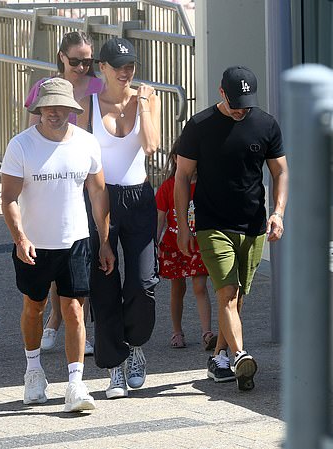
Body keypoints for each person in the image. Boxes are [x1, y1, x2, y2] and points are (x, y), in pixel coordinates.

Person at [1, 78, 114, 411]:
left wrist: (104, 241)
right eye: (48, 106)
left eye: (61, 106)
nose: (54, 112)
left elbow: (98, 193)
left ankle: (76, 385)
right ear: (39, 109)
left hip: (76, 240)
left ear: (71, 109)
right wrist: (20, 238)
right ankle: (33, 370)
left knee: (75, 312)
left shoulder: (87, 143)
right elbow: (7, 198)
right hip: (34, 244)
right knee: (34, 308)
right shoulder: (21, 145)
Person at [174, 66, 288, 391]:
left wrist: (278, 213)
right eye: (235, 102)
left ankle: (220, 357)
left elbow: (281, 172)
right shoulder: (199, 126)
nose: (241, 109)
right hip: (212, 225)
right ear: (221, 93)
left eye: (246, 103)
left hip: (253, 225)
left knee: (236, 299)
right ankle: (240, 356)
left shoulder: (265, 124)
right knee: (227, 293)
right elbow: (182, 177)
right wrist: (183, 225)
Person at [77, 37, 161, 399]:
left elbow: (152, 146)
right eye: (118, 66)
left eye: (130, 66)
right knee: (104, 284)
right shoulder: (88, 104)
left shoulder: (147, 99)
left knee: (143, 283)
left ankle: (136, 346)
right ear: (103, 68)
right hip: (99, 197)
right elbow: (79, 155)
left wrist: (142, 106)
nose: (126, 72)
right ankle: (114, 366)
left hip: (139, 196)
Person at [24, 31, 103, 355]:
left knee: (83, 258)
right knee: (57, 254)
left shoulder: (99, 87)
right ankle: (57, 318)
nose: (83, 67)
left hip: (91, 177)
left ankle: (76, 324)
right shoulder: (44, 89)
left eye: (88, 61)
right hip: (55, 180)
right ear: (61, 57)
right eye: (76, 61)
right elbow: (28, 134)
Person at [155, 139, 216, 351]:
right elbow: (160, 218)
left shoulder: (206, 187)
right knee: (177, 289)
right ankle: (177, 331)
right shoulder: (167, 187)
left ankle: (207, 332)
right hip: (173, 246)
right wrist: (154, 244)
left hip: (199, 246)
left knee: (200, 286)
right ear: (174, 159)